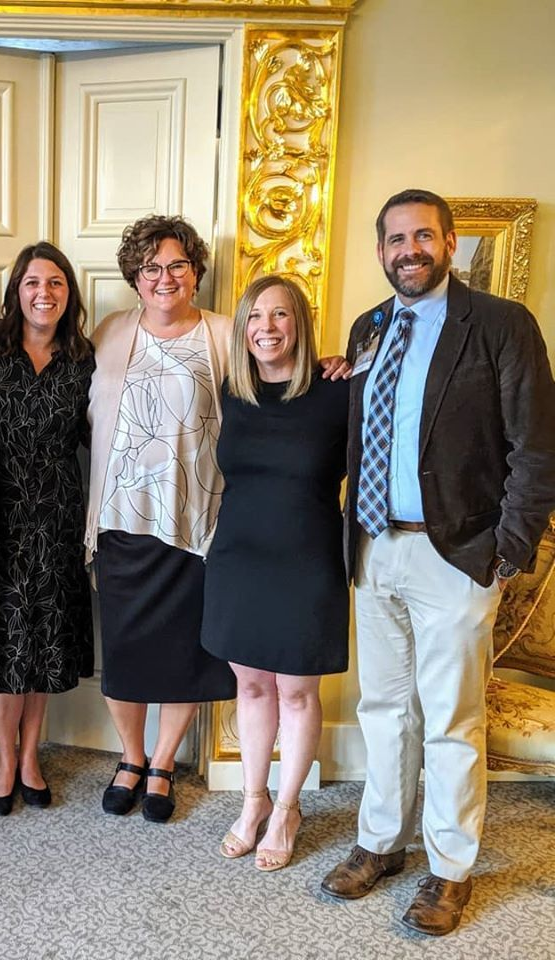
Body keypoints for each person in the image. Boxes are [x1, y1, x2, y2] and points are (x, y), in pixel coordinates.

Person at [320, 189, 555, 936]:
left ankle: (450, 868)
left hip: (457, 553)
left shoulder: (501, 324)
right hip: (374, 546)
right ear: (381, 251)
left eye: (423, 236)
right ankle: (381, 840)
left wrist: (508, 550)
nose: (409, 250)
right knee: (384, 708)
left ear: (450, 244)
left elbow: (537, 446)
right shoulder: (369, 327)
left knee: (452, 717)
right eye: (395, 239)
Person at [85, 216, 347, 823]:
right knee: (122, 650)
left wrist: (330, 362)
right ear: (134, 276)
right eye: (151, 267)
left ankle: (164, 763)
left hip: (196, 519)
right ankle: (130, 756)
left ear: (196, 272)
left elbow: (280, 383)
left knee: (183, 651)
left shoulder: (227, 333)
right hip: (122, 515)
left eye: (177, 265)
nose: (165, 277)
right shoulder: (109, 331)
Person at [201, 275, 349, 870]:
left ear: (300, 323)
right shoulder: (232, 392)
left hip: (308, 559)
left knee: (297, 690)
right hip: (239, 557)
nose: (267, 327)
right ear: (243, 328)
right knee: (252, 686)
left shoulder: (339, 391)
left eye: (280, 314)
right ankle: (253, 800)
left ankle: (288, 808)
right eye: (256, 316)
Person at [0, 242, 95, 814]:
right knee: (3, 640)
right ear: (16, 290)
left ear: (69, 293)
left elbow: (106, 429)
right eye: (33, 282)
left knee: (44, 638)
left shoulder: (85, 357)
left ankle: (31, 756)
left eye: (56, 283)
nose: (45, 293)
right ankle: (3, 759)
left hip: (59, 516)